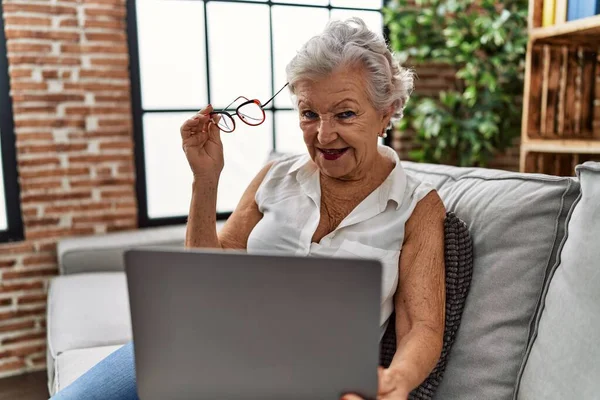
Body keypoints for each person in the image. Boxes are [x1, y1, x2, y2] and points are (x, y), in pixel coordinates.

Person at [51, 18, 445, 400]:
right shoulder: (275, 177)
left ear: (387, 112)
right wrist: (205, 180)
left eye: (345, 113)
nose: (324, 135)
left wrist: (398, 380)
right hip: (205, 344)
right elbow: (206, 274)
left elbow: (422, 326)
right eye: (309, 114)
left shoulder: (417, 206)